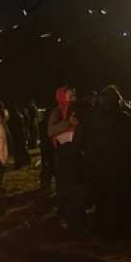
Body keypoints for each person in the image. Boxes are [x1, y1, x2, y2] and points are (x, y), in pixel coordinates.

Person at [74, 86, 131, 236]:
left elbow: (78, 141)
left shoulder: (90, 117)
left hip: (97, 166)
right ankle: (120, 229)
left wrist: (84, 155)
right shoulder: (127, 118)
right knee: (119, 200)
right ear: (118, 101)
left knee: (101, 199)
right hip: (120, 168)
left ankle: (102, 228)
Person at [48, 85, 86, 234]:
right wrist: (68, 123)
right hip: (63, 154)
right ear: (62, 97)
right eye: (70, 96)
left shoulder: (79, 109)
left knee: (78, 185)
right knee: (65, 186)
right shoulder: (57, 112)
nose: (73, 99)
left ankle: (78, 216)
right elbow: (51, 131)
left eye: (74, 96)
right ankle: (64, 216)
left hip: (77, 153)